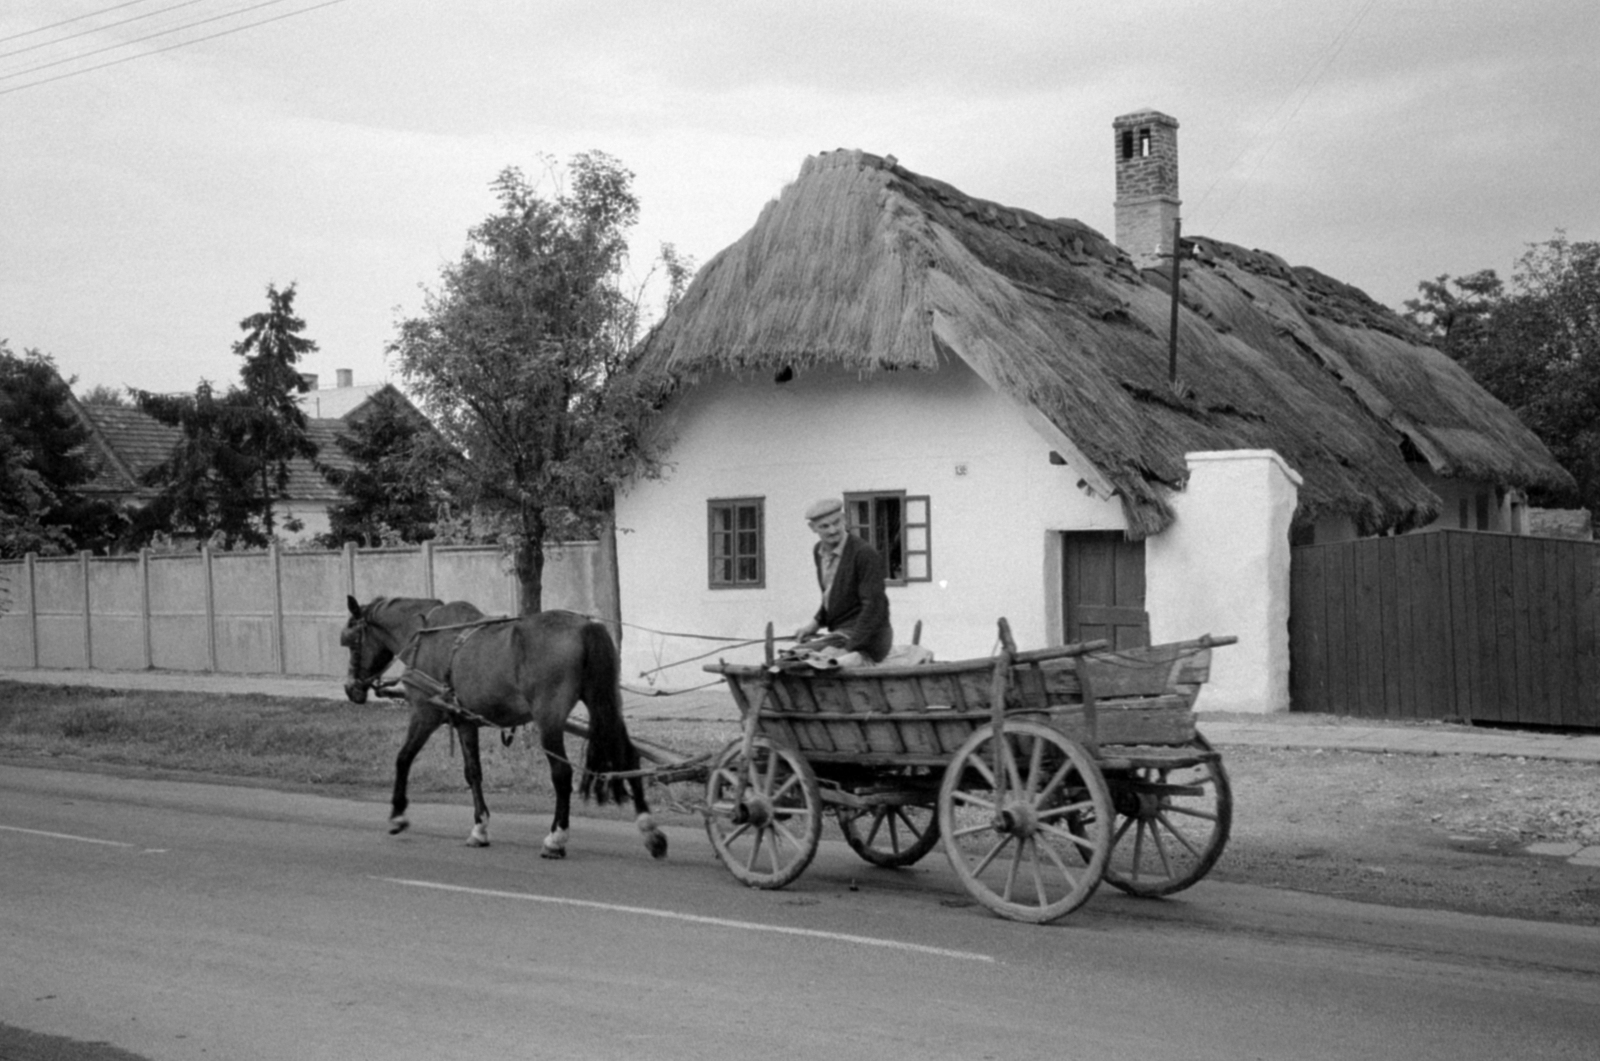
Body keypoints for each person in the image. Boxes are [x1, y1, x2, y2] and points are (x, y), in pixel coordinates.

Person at [792, 497, 893, 664]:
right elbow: (831, 596)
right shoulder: (819, 552)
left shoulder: (864, 553)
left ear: (844, 519)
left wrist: (847, 649)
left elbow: (874, 607)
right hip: (842, 634)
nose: (832, 530)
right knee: (794, 657)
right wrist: (814, 624)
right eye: (824, 526)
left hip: (870, 639)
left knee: (805, 660)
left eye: (836, 522)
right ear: (813, 528)